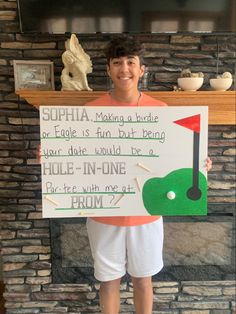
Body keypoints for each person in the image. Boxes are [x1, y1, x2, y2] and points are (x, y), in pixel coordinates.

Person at [86, 35, 212, 314]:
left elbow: (176, 156)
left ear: (141, 69)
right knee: (109, 282)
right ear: (108, 69)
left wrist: (198, 164)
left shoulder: (161, 111)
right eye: (117, 63)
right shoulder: (90, 112)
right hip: (104, 215)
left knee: (143, 279)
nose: (124, 69)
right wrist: (50, 155)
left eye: (131, 62)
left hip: (148, 212)